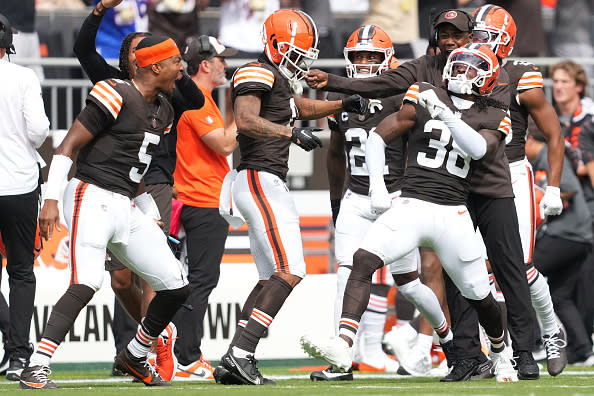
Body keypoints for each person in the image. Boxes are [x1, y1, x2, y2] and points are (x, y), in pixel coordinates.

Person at [305, 9, 541, 382]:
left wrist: (446, 114)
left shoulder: (496, 100)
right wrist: (381, 188)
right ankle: (349, 347)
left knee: (485, 287)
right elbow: (380, 122)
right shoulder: (423, 83)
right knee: (364, 262)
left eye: (470, 64)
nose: (461, 70)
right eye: (456, 65)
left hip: (471, 198)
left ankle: (508, 351)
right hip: (415, 200)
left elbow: (479, 149)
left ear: (486, 66)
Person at [19, 35, 190, 389]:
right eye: (175, 61)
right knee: (87, 282)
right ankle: (36, 366)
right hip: (89, 193)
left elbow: (136, 171)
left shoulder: (164, 109)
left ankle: (135, 354)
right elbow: (67, 146)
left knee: (175, 285)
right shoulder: (115, 92)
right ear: (155, 65)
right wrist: (50, 199)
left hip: (125, 202)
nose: (181, 68)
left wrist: (148, 213)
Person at [212, 9, 368, 386]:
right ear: (276, 46)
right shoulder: (257, 70)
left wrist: (343, 104)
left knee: (269, 277)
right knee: (291, 269)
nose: (301, 61)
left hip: (263, 181)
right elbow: (246, 120)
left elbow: (301, 109)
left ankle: (234, 355)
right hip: (259, 178)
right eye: (297, 53)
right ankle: (241, 354)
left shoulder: (276, 80)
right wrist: (291, 135)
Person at [73, 0, 205, 381]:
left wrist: (174, 67)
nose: (150, 56)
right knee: (120, 280)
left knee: (153, 276)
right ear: (130, 58)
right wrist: (99, 10)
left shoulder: (170, 89)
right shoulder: (113, 85)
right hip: (109, 185)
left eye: (158, 53)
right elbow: (83, 49)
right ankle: (148, 339)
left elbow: (195, 100)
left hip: (154, 182)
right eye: (142, 51)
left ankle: (147, 350)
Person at [469, 4, 567, 376]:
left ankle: (551, 328)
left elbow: (554, 134)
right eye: (475, 36)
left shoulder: (520, 74)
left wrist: (553, 187)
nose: (479, 44)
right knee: (476, 269)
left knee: (518, 266)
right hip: (471, 176)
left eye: (487, 37)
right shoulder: (459, 67)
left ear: (505, 42)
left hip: (510, 173)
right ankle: (501, 350)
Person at [309, 25, 405, 382]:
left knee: (410, 281)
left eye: (372, 57)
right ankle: (341, 358)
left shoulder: (400, 96)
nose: (364, 63)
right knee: (345, 275)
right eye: (358, 57)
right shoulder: (342, 101)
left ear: (387, 60)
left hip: (398, 196)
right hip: (356, 196)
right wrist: (336, 202)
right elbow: (335, 155)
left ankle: (443, 341)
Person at [171, 35, 238, 380]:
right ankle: (186, 356)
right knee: (200, 281)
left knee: (193, 280)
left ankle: (181, 353)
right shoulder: (197, 103)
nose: (226, 65)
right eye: (222, 59)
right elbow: (225, 144)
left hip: (200, 199)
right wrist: (247, 113)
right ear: (205, 64)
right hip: (201, 200)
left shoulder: (203, 101)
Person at [0, 13, 50, 381]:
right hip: (18, 184)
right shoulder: (23, 76)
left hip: (15, 181)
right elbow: (38, 131)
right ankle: (19, 355)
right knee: (20, 272)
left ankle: (13, 347)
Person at [526, 131, 594, 366]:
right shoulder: (540, 160)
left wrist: (537, 199)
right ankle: (584, 350)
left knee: (521, 274)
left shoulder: (549, 155)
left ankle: (534, 343)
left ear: (529, 140)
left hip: (568, 234)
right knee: (560, 295)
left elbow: (569, 188)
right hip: (578, 237)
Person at [550, 59, 594, 363]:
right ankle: (581, 347)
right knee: (567, 287)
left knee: (587, 283)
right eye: (555, 81)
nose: (558, 87)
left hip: (588, 209)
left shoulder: (588, 119)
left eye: (565, 81)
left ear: (579, 86)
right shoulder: (553, 119)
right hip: (568, 212)